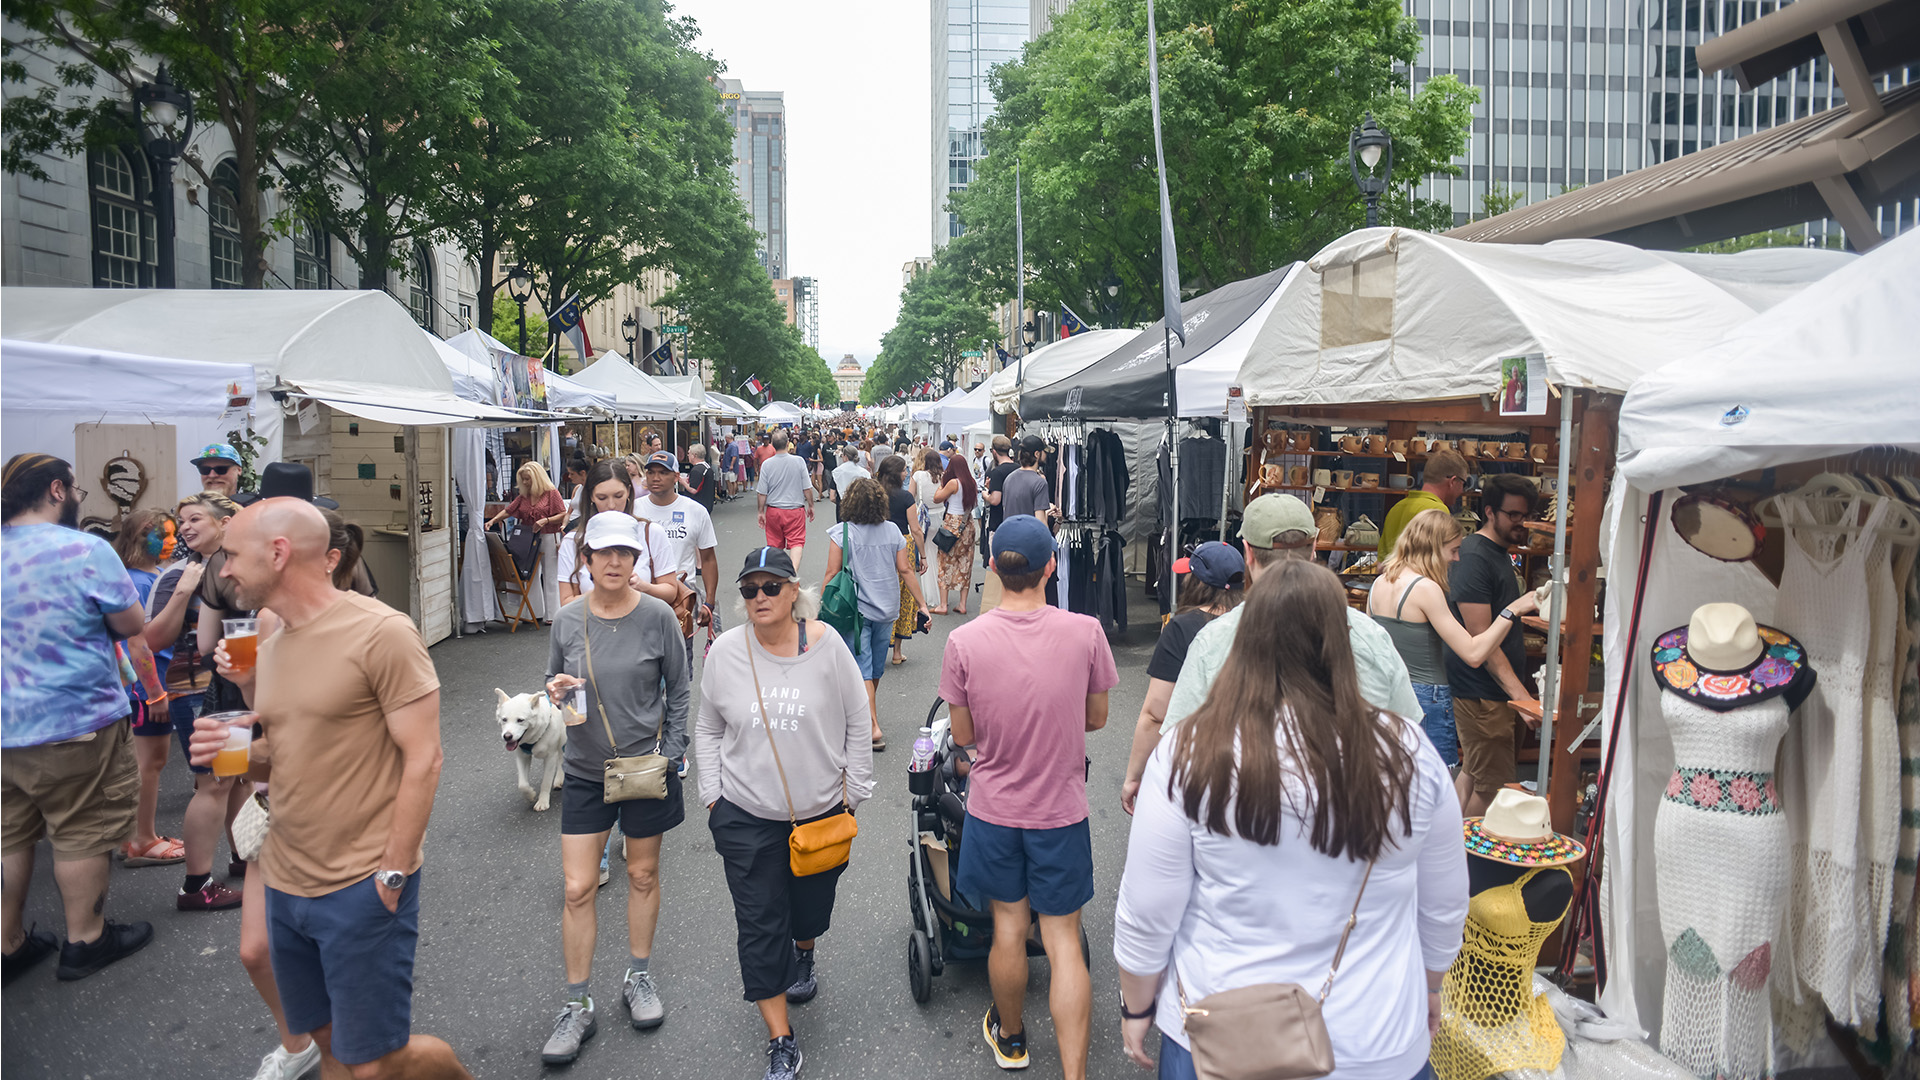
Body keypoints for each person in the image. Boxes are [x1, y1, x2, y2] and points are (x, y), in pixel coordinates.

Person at [1113, 560, 1468, 1080]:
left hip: (1218, 1031)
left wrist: (1137, 1007)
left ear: (1245, 639)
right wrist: (1431, 988)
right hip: (1374, 1034)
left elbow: (1147, 910)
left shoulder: (1189, 750)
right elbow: (1443, 905)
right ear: (1343, 640)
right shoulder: (1408, 750)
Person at [187, 498, 472, 1079]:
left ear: (279, 552)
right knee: (326, 1038)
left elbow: (425, 758)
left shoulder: (381, 632)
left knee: (373, 1063)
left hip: (360, 884)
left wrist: (392, 874)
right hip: (287, 883)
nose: (224, 570)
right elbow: (283, 758)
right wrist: (235, 753)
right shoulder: (272, 645)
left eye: (233, 554)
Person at [940, 515, 1116, 1077]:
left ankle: (1013, 1038)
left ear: (992, 566)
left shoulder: (963, 641)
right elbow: (1096, 717)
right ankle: (1075, 1073)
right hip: (1060, 809)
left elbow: (962, 737)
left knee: (1009, 929)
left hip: (994, 809)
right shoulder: (1085, 631)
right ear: (1051, 567)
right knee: (1064, 937)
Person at [696, 548, 874, 1080]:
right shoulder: (726, 652)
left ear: (795, 592)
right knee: (758, 923)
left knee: (807, 909)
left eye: (771, 587)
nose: (759, 598)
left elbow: (856, 719)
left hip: (820, 814)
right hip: (746, 815)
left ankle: (805, 949)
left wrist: (855, 792)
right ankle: (780, 1038)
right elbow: (706, 729)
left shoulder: (827, 646)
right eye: (750, 590)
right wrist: (712, 797)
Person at [537, 512, 691, 1065]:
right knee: (578, 887)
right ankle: (577, 1004)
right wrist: (556, 692)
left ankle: (639, 977)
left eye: (625, 552)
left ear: (636, 558)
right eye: (604, 552)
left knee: (643, 873)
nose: (614, 561)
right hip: (583, 772)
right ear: (586, 558)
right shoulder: (567, 620)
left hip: (645, 770)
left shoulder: (657, 617)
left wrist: (672, 754)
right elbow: (555, 686)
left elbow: (679, 688)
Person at [1, 453, 155, 985]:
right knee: (80, 830)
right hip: (75, 719)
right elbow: (130, 622)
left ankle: (7, 944)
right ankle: (85, 940)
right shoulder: (85, 550)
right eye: (76, 490)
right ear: (57, 490)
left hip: (4, 726)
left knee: (9, 835)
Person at [231, 508, 365, 1080]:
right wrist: (239, 693)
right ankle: (301, 1043)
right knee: (254, 951)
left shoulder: (366, 629)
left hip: (333, 817)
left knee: (334, 967)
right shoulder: (261, 621)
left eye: (238, 554)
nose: (230, 567)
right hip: (270, 803)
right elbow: (256, 726)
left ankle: (339, 1048)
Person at [1162, 494, 1421, 734]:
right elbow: (1409, 731)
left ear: (1248, 552)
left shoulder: (1213, 640)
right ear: (1313, 548)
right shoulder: (1371, 635)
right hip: (1353, 779)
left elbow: (1179, 740)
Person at [1368, 508, 1539, 774]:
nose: (1457, 558)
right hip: (1427, 701)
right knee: (1434, 785)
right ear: (1433, 548)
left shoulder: (1380, 584)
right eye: (1453, 550)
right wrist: (1511, 610)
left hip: (1391, 695)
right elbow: (1473, 653)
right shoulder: (1425, 588)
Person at [1119, 542, 1244, 816]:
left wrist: (1133, 776)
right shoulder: (1255, 621)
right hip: (1251, 760)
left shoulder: (1182, 627)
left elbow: (1155, 714)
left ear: (1197, 582)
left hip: (1195, 764)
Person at [169, 491, 250, 911]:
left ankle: (243, 856)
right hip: (234, 684)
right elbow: (204, 644)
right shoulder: (221, 564)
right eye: (181, 521)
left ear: (223, 522)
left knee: (237, 777)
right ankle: (196, 885)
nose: (184, 527)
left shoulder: (212, 564)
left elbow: (205, 642)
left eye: (194, 518)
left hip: (229, 683)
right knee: (216, 783)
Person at [1448, 474, 1541, 817]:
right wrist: (1520, 696)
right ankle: (1470, 862)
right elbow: (1480, 637)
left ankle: (1446, 852)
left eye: (1527, 514)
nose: (1522, 523)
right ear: (1489, 511)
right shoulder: (1475, 557)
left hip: (1490, 694)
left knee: (1475, 774)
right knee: (1493, 789)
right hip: (1483, 695)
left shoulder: (1497, 553)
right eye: (1513, 515)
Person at [824, 478, 932, 752]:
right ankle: (866, 714)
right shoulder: (893, 531)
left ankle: (871, 726)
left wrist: (822, 609)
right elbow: (906, 570)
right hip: (887, 608)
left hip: (856, 610)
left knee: (862, 668)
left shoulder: (843, 532)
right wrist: (922, 604)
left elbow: (832, 573)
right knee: (873, 669)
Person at [111, 509, 187, 868]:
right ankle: (143, 839)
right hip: (148, 689)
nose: (173, 541)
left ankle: (135, 835)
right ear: (143, 537)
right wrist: (154, 692)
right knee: (150, 763)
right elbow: (138, 643)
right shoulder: (137, 581)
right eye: (165, 535)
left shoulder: (148, 575)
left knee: (146, 763)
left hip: (149, 686)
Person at [635, 451, 720, 672]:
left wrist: (708, 602)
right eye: (651, 472)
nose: (655, 477)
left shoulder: (695, 511)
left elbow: (709, 559)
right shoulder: (634, 510)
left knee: (679, 665)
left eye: (663, 473)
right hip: (640, 596)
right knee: (643, 665)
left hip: (681, 598)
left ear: (676, 476)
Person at [557, 460, 680, 608]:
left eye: (618, 496)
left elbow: (670, 590)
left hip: (643, 627)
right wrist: (603, 592)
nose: (611, 505)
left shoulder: (651, 533)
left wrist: (642, 586)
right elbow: (566, 602)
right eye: (602, 498)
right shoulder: (573, 541)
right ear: (591, 496)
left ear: (628, 491)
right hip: (592, 628)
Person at [485, 462, 567, 623]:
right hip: (530, 538)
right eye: (523, 479)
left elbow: (563, 513)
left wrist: (546, 520)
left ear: (537, 478)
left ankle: (553, 613)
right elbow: (509, 510)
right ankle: (534, 612)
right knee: (531, 575)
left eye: (527, 479)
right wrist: (493, 521)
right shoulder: (524, 496)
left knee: (551, 575)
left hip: (549, 535)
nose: (525, 482)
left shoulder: (552, 493)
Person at [877, 455, 928, 667]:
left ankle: (878, 647)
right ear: (896, 474)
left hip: (878, 543)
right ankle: (897, 652)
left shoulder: (875, 494)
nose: (906, 473)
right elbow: (915, 529)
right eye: (904, 470)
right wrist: (922, 555)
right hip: (903, 543)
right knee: (904, 595)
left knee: (881, 592)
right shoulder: (906, 497)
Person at [1378, 449, 1470, 561]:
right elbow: (1436, 563)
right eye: (1463, 484)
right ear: (1453, 481)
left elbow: (1381, 564)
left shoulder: (1397, 508)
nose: (1462, 491)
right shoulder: (1438, 511)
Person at [756, 431, 817, 568]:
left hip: (773, 510)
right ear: (788, 443)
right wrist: (811, 505)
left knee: (774, 544)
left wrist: (760, 511)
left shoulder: (766, 464)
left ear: (772, 444)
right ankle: (792, 573)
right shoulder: (799, 461)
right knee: (796, 543)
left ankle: (778, 575)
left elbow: (762, 493)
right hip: (795, 509)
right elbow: (807, 488)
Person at [928, 450, 979, 616]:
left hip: (952, 522)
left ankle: (943, 605)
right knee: (965, 562)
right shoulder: (971, 482)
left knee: (945, 561)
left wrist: (942, 485)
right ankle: (962, 604)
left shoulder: (953, 483)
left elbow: (937, 498)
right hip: (967, 523)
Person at [1000, 435, 1054, 522]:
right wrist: (1047, 512)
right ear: (1037, 454)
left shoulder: (1009, 478)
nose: (1046, 455)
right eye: (1044, 452)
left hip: (1009, 533)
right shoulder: (1039, 482)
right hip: (1029, 534)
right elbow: (1040, 522)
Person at [828, 447, 870, 523]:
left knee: (844, 531)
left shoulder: (837, 472)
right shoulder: (864, 472)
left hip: (842, 507)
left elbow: (832, 497)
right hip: (860, 507)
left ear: (845, 456)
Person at [684, 443, 718, 513]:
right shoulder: (707, 467)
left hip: (698, 506)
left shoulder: (696, 470)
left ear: (694, 455)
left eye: (689, 453)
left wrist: (682, 481)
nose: (688, 455)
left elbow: (693, 490)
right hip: (707, 504)